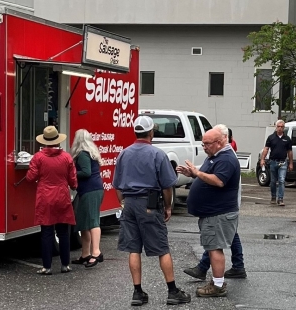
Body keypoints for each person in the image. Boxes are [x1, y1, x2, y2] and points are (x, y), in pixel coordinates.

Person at [112, 116, 192, 306]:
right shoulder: (158, 154)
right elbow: (167, 185)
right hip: (149, 203)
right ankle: (172, 291)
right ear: (151, 133)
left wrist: (123, 203)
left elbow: (116, 185)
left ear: (135, 132)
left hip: (129, 204)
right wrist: (167, 206)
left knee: (133, 249)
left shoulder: (124, 154)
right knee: (162, 248)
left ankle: (137, 292)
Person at [178, 128, 241, 297]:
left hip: (218, 213)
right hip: (213, 213)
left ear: (219, 143)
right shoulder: (215, 156)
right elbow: (207, 175)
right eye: (203, 143)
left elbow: (219, 181)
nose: (203, 147)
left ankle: (218, 285)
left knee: (215, 248)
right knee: (213, 247)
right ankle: (217, 281)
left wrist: (198, 173)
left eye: (206, 144)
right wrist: (193, 174)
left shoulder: (226, 158)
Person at [25, 125, 77, 276]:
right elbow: (73, 180)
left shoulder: (38, 157)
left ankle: (47, 267)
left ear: (45, 142)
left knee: (47, 232)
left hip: (45, 196)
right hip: (62, 196)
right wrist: (72, 186)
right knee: (63, 232)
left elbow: (30, 177)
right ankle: (65, 265)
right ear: (58, 141)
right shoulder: (66, 157)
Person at [69, 129, 105, 268]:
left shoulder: (83, 154)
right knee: (84, 223)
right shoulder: (91, 153)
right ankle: (85, 254)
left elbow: (86, 172)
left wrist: (71, 173)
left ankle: (96, 253)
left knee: (92, 221)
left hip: (90, 190)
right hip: (93, 190)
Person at [261, 120, 293, 206]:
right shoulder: (271, 137)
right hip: (273, 162)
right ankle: (273, 196)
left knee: (282, 180)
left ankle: (280, 198)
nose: (280, 128)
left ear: (284, 128)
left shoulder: (287, 139)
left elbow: (289, 151)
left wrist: (290, 163)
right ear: (276, 127)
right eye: (278, 126)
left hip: (283, 162)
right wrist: (262, 159)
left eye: (282, 127)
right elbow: (266, 149)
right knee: (273, 181)